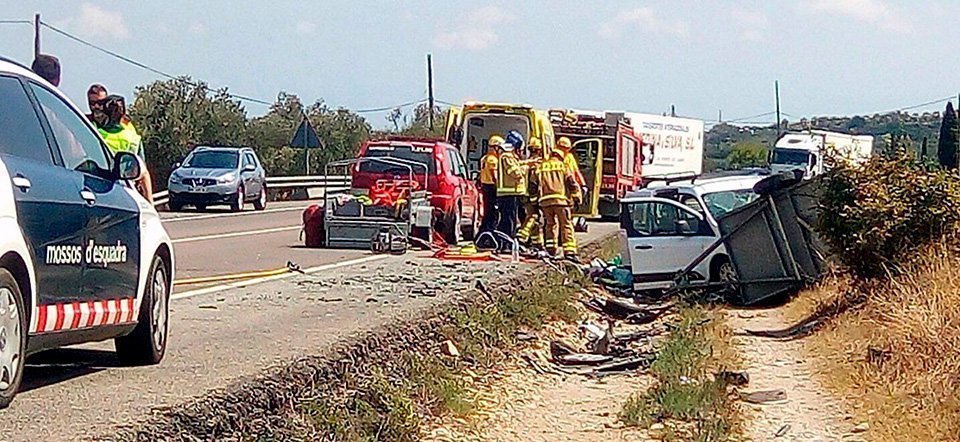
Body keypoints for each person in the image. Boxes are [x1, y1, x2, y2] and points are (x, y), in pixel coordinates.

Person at [92, 94, 154, 203]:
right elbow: (143, 172)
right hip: (128, 192)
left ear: (104, 114)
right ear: (123, 115)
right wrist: (150, 203)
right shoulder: (133, 138)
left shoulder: (95, 135)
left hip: (99, 190)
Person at [530, 148, 582, 260]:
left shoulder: (540, 167)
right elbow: (571, 182)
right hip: (561, 201)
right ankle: (569, 251)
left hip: (545, 201)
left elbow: (533, 185)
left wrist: (534, 202)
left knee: (550, 224)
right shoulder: (563, 166)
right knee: (566, 224)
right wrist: (576, 197)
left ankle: (551, 249)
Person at [495, 138, 527, 244]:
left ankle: (507, 242)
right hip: (508, 194)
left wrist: (529, 162)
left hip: (509, 194)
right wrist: (526, 168)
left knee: (510, 219)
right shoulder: (507, 157)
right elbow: (515, 173)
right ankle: (506, 243)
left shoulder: (508, 156)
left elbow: (517, 165)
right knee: (508, 221)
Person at [516, 137, 544, 249]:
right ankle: (522, 236)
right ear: (539, 150)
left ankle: (537, 243)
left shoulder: (526, 162)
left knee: (535, 220)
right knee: (533, 216)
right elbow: (533, 182)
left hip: (523, 194)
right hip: (531, 196)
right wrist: (535, 198)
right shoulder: (536, 164)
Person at [478, 135, 503, 235]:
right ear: (496, 147)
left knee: (488, 211)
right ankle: (489, 231)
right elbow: (494, 175)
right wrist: (499, 187)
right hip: (491, 187)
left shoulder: (485, 158)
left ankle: (484, 231)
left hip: (485, 186)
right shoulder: (493, 160)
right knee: (492, 212)